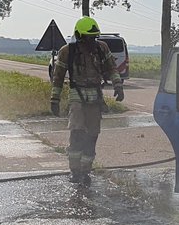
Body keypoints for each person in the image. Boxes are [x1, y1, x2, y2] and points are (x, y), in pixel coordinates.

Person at [50, 17, 124, 186]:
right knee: (77, 133)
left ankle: (85, 172)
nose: (91, 41)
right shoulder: (67, 51)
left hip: (95, 95)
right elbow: (58, 76)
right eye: (88, 37)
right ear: (79, 35)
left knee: (92, 135)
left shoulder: (101, 48)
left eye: (94, 37)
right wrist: (54, 99)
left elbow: (111, 68)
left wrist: (118, 85)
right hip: (77, 94)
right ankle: (75, 172)